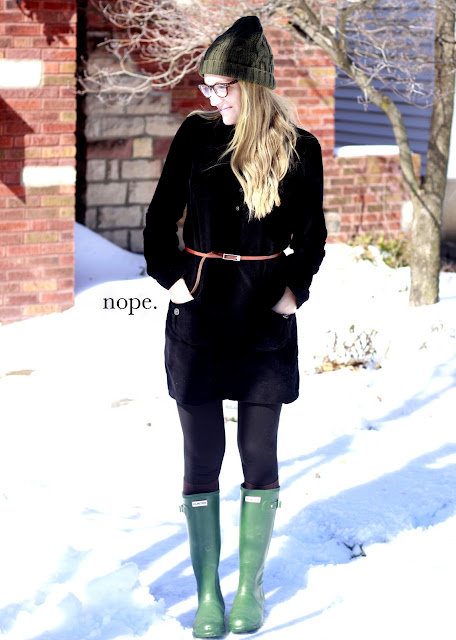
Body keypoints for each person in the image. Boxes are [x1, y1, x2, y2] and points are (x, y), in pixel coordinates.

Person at [143, 15, 327, 638]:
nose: (211, 97)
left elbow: (312, 236)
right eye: (209, 87)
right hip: (198, 310)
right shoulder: (195, 136)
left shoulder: (299, 148)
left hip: (262, 317)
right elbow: (160, 217)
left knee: (257, 453)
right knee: (202, 456)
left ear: (252, 85)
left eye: (222, 86)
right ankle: (207, 594)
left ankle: (249, 587)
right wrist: (173, 279)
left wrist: (293, 293)